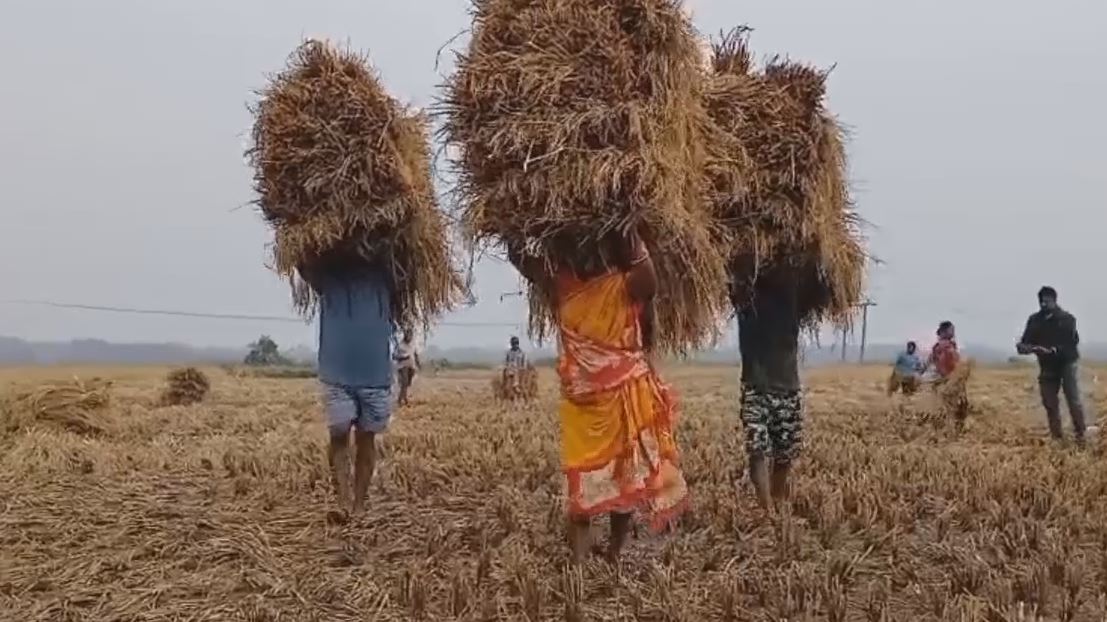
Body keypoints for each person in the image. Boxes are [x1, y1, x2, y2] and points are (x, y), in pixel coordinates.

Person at [509, 230, 687, 564]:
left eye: (593, 248)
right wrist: (512, 231)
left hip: (624, 399)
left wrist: (627, 225)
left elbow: (650, 280)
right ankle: (577, 563)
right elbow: (521, 260)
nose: (586, 256)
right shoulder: (561, 285)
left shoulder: (626, 284)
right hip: (583, 408)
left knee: (625, 484)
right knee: (580, 488)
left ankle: (614, 553)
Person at [299, 248, 394, 518]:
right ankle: (342, 500)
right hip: (337, 373)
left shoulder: (387, 276)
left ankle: (359, 504)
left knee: (366, 439)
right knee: (338, 433)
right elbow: (301, 262)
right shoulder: (328, 277)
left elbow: (414, 264)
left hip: (375, 375)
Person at [733, 267, 804, 513]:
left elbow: (824, 286)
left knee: (785, 454)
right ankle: (767, 511)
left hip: (788, 388)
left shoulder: (794, 293)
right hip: (756, 386)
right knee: (757, 450)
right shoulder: (746, 295)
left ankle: (777, 498)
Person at [1016, 286, 1086, 443]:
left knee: (1072, 398)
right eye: (1041, 301)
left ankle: (1081, 434)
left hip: (1066, 362)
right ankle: (1057, 437)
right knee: (1049, 401)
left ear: (1055, 300)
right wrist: (1027, 348)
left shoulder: (1067, 319)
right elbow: (1025, 343)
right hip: (1047, 365)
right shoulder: (1035, 320)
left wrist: (1053, 350)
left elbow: (1071, 344)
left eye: (1047, 301)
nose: (1044, 305)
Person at [926, 320, 968, 423]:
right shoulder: (942, 346)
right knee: (949, 407)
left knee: (955, 406)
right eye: (951, 330)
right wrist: (948, 378)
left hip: (952, 380)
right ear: (944, 331)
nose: (953, 332)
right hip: (946, 380)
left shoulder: (950, 345)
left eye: (953, 330)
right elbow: (939, 363)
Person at [394, 328, 420, 407]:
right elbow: (394, 356)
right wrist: (403, 357)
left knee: (408, 384)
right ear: (405, 336)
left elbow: (415, 354)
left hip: (411, 366)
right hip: (402, 366)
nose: (410, 337)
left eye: (411, 335)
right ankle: (400, 400)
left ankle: (404, 398)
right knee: (404, 383)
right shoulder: (400, 345)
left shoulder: (413, 344)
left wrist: (418, 363)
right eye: (408, 335)